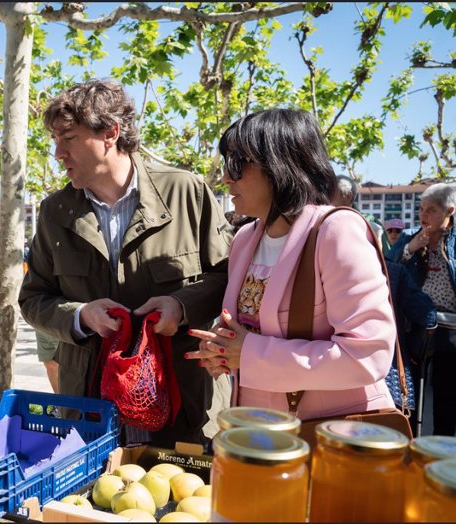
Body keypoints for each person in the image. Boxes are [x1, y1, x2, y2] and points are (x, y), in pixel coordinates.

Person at [19, 79, 232, 448]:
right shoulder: (55, 212)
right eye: (55, 141)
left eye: (67, 138)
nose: (58, 153)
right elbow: (33, 299)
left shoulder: (186, 191)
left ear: (110, 133)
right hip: (92, 408)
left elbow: (228, 277)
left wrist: (180, 306)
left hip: (183, 403)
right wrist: (80, 315)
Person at [187, 109, 397, 420]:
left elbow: (368, 355)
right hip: (256, 430)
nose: (226, 177)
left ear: (278, 165)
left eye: (236, 164)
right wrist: (223, 348)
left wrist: (249, 353)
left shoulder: (335, 232)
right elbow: (253, 333)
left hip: (330, 437)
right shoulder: (245, 238)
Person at [387, 183, 456, 436]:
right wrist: (411, 247)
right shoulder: (409, 236)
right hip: (415, 326)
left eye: (431, 210)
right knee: (410, 391)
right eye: (421, 209)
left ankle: (442, 452)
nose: (424, 216)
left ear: (450, 211)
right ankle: (410, 443)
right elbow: (388, 266)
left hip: (450, 330)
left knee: (446, 396)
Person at [385, 258, 436, 435]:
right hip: (389, 379)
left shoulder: (326, 266)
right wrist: (413, 348)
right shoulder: (393, 271)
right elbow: (425, 315)